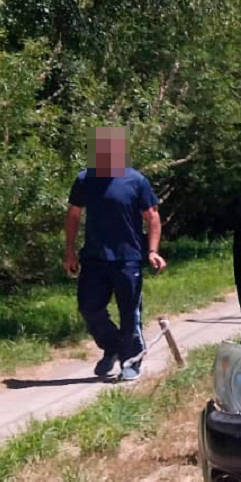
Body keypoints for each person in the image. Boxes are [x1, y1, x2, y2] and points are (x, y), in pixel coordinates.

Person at [64, 126, 166, 381]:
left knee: (130, 313)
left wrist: (153, 251)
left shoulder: (136, 180)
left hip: (127, 258)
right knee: (89, 308)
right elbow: (74, 215)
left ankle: (130, 361)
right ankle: (112, 346)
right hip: (94, 258)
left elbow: (152, 216)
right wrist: (70, 252)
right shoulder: (85, 179)